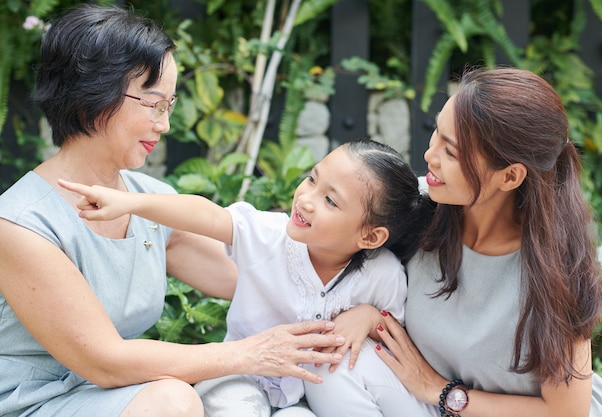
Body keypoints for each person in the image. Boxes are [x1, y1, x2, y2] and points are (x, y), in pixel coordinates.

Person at [0, 5, 347, 417]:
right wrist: (248, 354)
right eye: (152, 104)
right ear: (90, 98)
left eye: (169, 105)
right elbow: (105, 361)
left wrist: (361, 304)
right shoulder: (20, 224)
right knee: (172, 400)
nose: (164, 125)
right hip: (32, 403)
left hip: (112, 395)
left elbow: (259, 278)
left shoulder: (149, 200)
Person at [306, 67, 602, 417]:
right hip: (436, 406)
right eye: (436, 133)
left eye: (452, 152)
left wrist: (441, 391)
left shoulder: (556, 267)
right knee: (329, 366)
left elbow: (567, 412)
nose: (430, 155)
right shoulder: (425, 207)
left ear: (510, 176)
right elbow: (318, 234)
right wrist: (370, 316)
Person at [58, 137, 432, 417]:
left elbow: (394, 337)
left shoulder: (381, 274)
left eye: (331, 200)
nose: (305, 198)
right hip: (241, 373)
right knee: (232, 408)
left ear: (370, 236)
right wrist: (131, 203)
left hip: (308, 394)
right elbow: (205, 214)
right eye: (311, 179)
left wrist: (367, 316)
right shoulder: (267, 234)